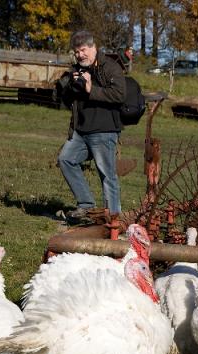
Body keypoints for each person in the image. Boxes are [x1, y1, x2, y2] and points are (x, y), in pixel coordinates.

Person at [56, 30, 126, 224]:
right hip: (80, 130)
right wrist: (69, 85)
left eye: (84, 50)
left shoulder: (110, 67)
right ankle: (86, 205)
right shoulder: (76, 70)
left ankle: (112, 218)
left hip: (104, 130)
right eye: (77, 51)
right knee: (66, 159)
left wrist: (90, 89)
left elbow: (119, 95)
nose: (80, 55)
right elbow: (66, 99)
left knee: (106, 174)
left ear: (94, 47)